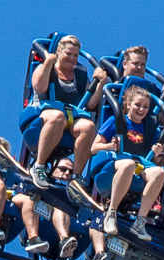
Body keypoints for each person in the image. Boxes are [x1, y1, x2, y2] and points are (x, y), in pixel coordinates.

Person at [89, 85, 164, 241]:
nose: (141, 109)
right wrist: (111, 146)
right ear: (128, 104)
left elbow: (152, 161)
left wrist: (157, 153)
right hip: (112, 168)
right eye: (138, 105)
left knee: (159, 172)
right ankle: (111, 213)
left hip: (138, 167)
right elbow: (94, 148)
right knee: (128, 164)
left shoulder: (151, 129)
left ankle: (140, 221)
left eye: (145, 106)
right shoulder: (116, 121)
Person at [26, 35, 106, 189]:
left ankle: (76, 178)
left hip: (71, 116)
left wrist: (101, 83)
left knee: (88, 127)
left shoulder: (80, 75)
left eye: (75, 55)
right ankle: (39, 166)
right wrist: (48, 62)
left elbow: (90, 103)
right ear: (59, 52)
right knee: (58, 117)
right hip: (43, 113)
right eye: (68, 54)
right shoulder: (46, 67)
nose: (72, 58)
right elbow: (39, 87)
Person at [47, 155, 83, 259]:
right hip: (45, 219)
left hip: (71, 218)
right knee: (61, 205)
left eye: (71, 172)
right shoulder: (42, 183)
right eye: (63, 169)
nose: (67, 173)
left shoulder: (75, 193)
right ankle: (64, 240)